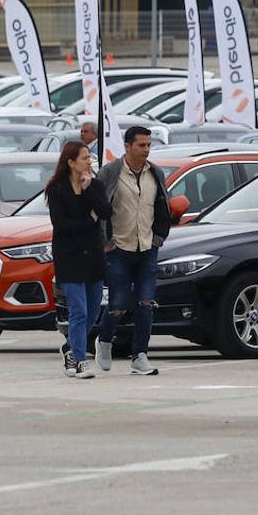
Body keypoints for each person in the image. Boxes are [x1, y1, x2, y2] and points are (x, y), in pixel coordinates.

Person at [94, 125, 172, 375]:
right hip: (119, 249)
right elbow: (97, 207)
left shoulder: (155, 173)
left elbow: (163, 207)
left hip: (147, 248)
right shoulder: (111, 172)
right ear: (127, 147)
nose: (146, 150)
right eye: (141, 145)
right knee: (117, 304)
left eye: (149, 145)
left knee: (146, 304)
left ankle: (140, 356)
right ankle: (104, 340)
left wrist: (159, 237)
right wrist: (105, 242)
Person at [47, 141, 111, 379]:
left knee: (94, 311)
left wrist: (88, 190)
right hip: (69, 257)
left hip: (93, 256)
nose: (88, 162)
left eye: (89, 158)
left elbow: (105, 212)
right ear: (70, 162)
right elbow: (62, 225)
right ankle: (81, 361)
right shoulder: (56, 189)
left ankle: (70, 348)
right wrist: (89, 221)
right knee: (79, 311)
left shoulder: (95, 185)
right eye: (84, 158)